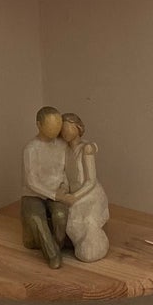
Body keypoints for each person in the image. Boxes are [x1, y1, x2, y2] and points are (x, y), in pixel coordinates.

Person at [57, 112, 110, 263]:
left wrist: (75, 197)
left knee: (84, 220)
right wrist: (64, 190)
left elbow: (90, 181)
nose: (65, 132)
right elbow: (67, 177)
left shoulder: (86, 149)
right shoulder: (65, 151)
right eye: (62, 129)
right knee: (71, 221)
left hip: (90, 195)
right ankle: (78, 245)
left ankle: (93, 246)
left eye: (68, 128)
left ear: (78, 128)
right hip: (73, 195)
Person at [21, 106, 69, 268]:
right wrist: (55, 196)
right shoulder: (31, 149)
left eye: (58, 126)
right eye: (51, 127)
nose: (55, 131)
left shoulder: (62, 145)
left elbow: (67, 170)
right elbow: (31, 182)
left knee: (61, 215)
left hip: (57, 191)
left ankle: (57, 245)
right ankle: (52, 254)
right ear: (39, 125)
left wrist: (64, 187)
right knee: (37, 219)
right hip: (33, 194)